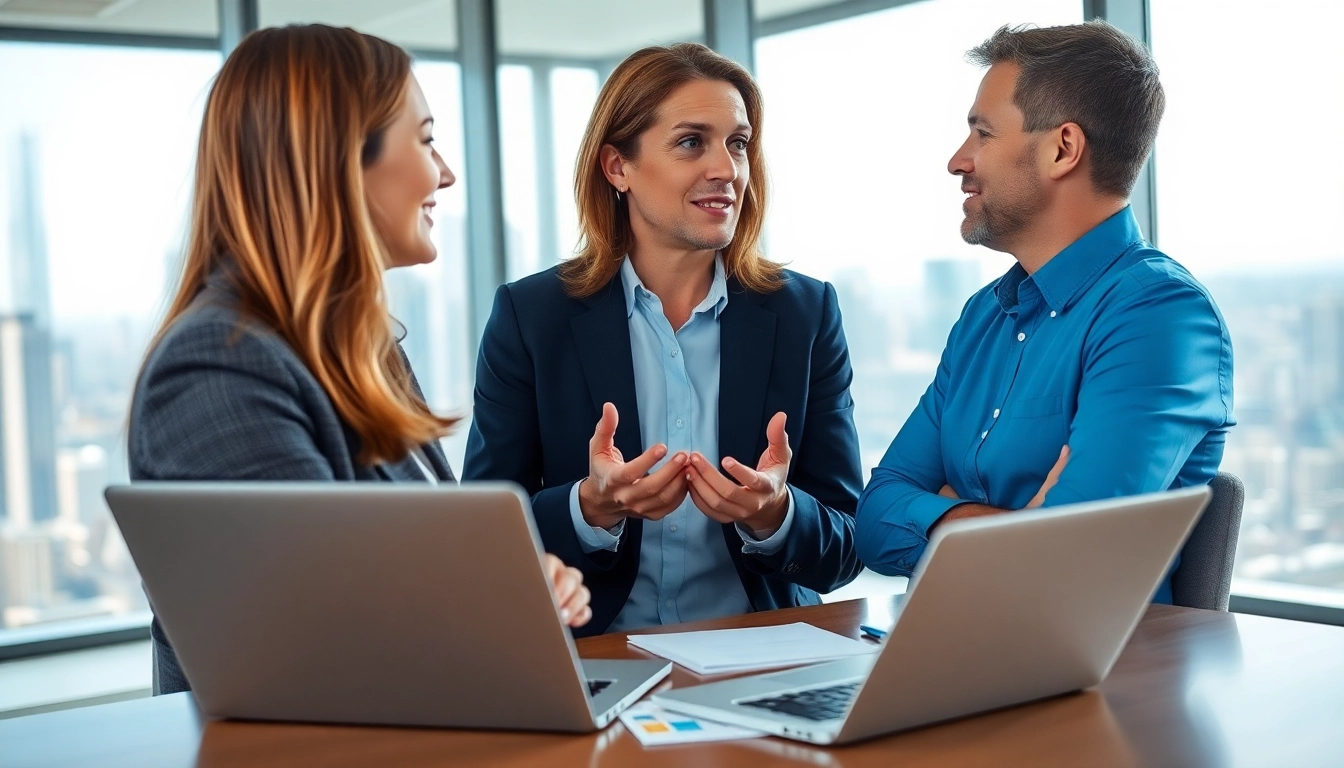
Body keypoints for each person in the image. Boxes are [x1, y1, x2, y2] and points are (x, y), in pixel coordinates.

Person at [129, 24, 590, 696]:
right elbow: (311, 641)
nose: (447, 173)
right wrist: (494, 608)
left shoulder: (360, 351)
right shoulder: (218, 364)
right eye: (427, 140)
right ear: (343, 159)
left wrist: (506, 586)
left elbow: (401, 576)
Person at [463, 43, 863, 636]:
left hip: (759, 654)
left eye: (738, 143)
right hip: (595, 656)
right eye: (690, 142)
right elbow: (481, 536)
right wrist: (588, 508)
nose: (726, 169)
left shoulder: (806, 314)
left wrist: (776, 515)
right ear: (617, 167)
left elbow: (848, 545)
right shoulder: (531, 316)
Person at [854, 21, 1235, 603]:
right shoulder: (984, 317)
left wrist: (946, 513)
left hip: (1098, 681)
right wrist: (999, 528)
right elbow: (875, 519)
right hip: (953, 653)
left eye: (982, 133)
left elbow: (1064, 558)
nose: (958, 161)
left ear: (1062, 149)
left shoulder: (1160, 316)